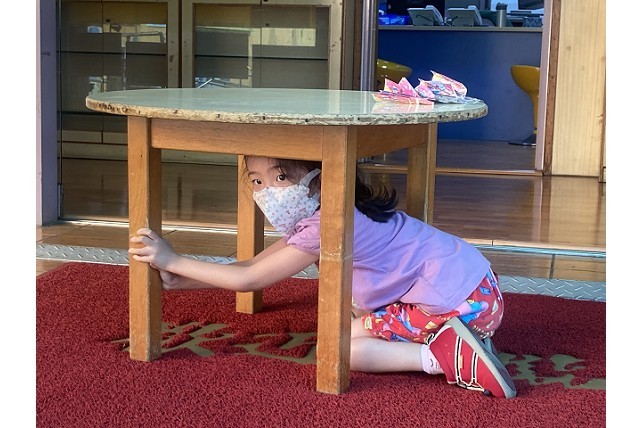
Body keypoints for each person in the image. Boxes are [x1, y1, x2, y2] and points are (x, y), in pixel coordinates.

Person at [129, 156, 517, 399]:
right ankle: (464, 340)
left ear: (322, 176)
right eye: (257, 181)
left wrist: (174, 259)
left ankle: (444, 357)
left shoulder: (326, 226)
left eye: (282, 178)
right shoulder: (331, 214)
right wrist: (181, 278)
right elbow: (251, 267)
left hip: (459, 303)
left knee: (340, 348)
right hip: (478, 292)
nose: (268, 192)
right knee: (350, 329)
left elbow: (251, 280)